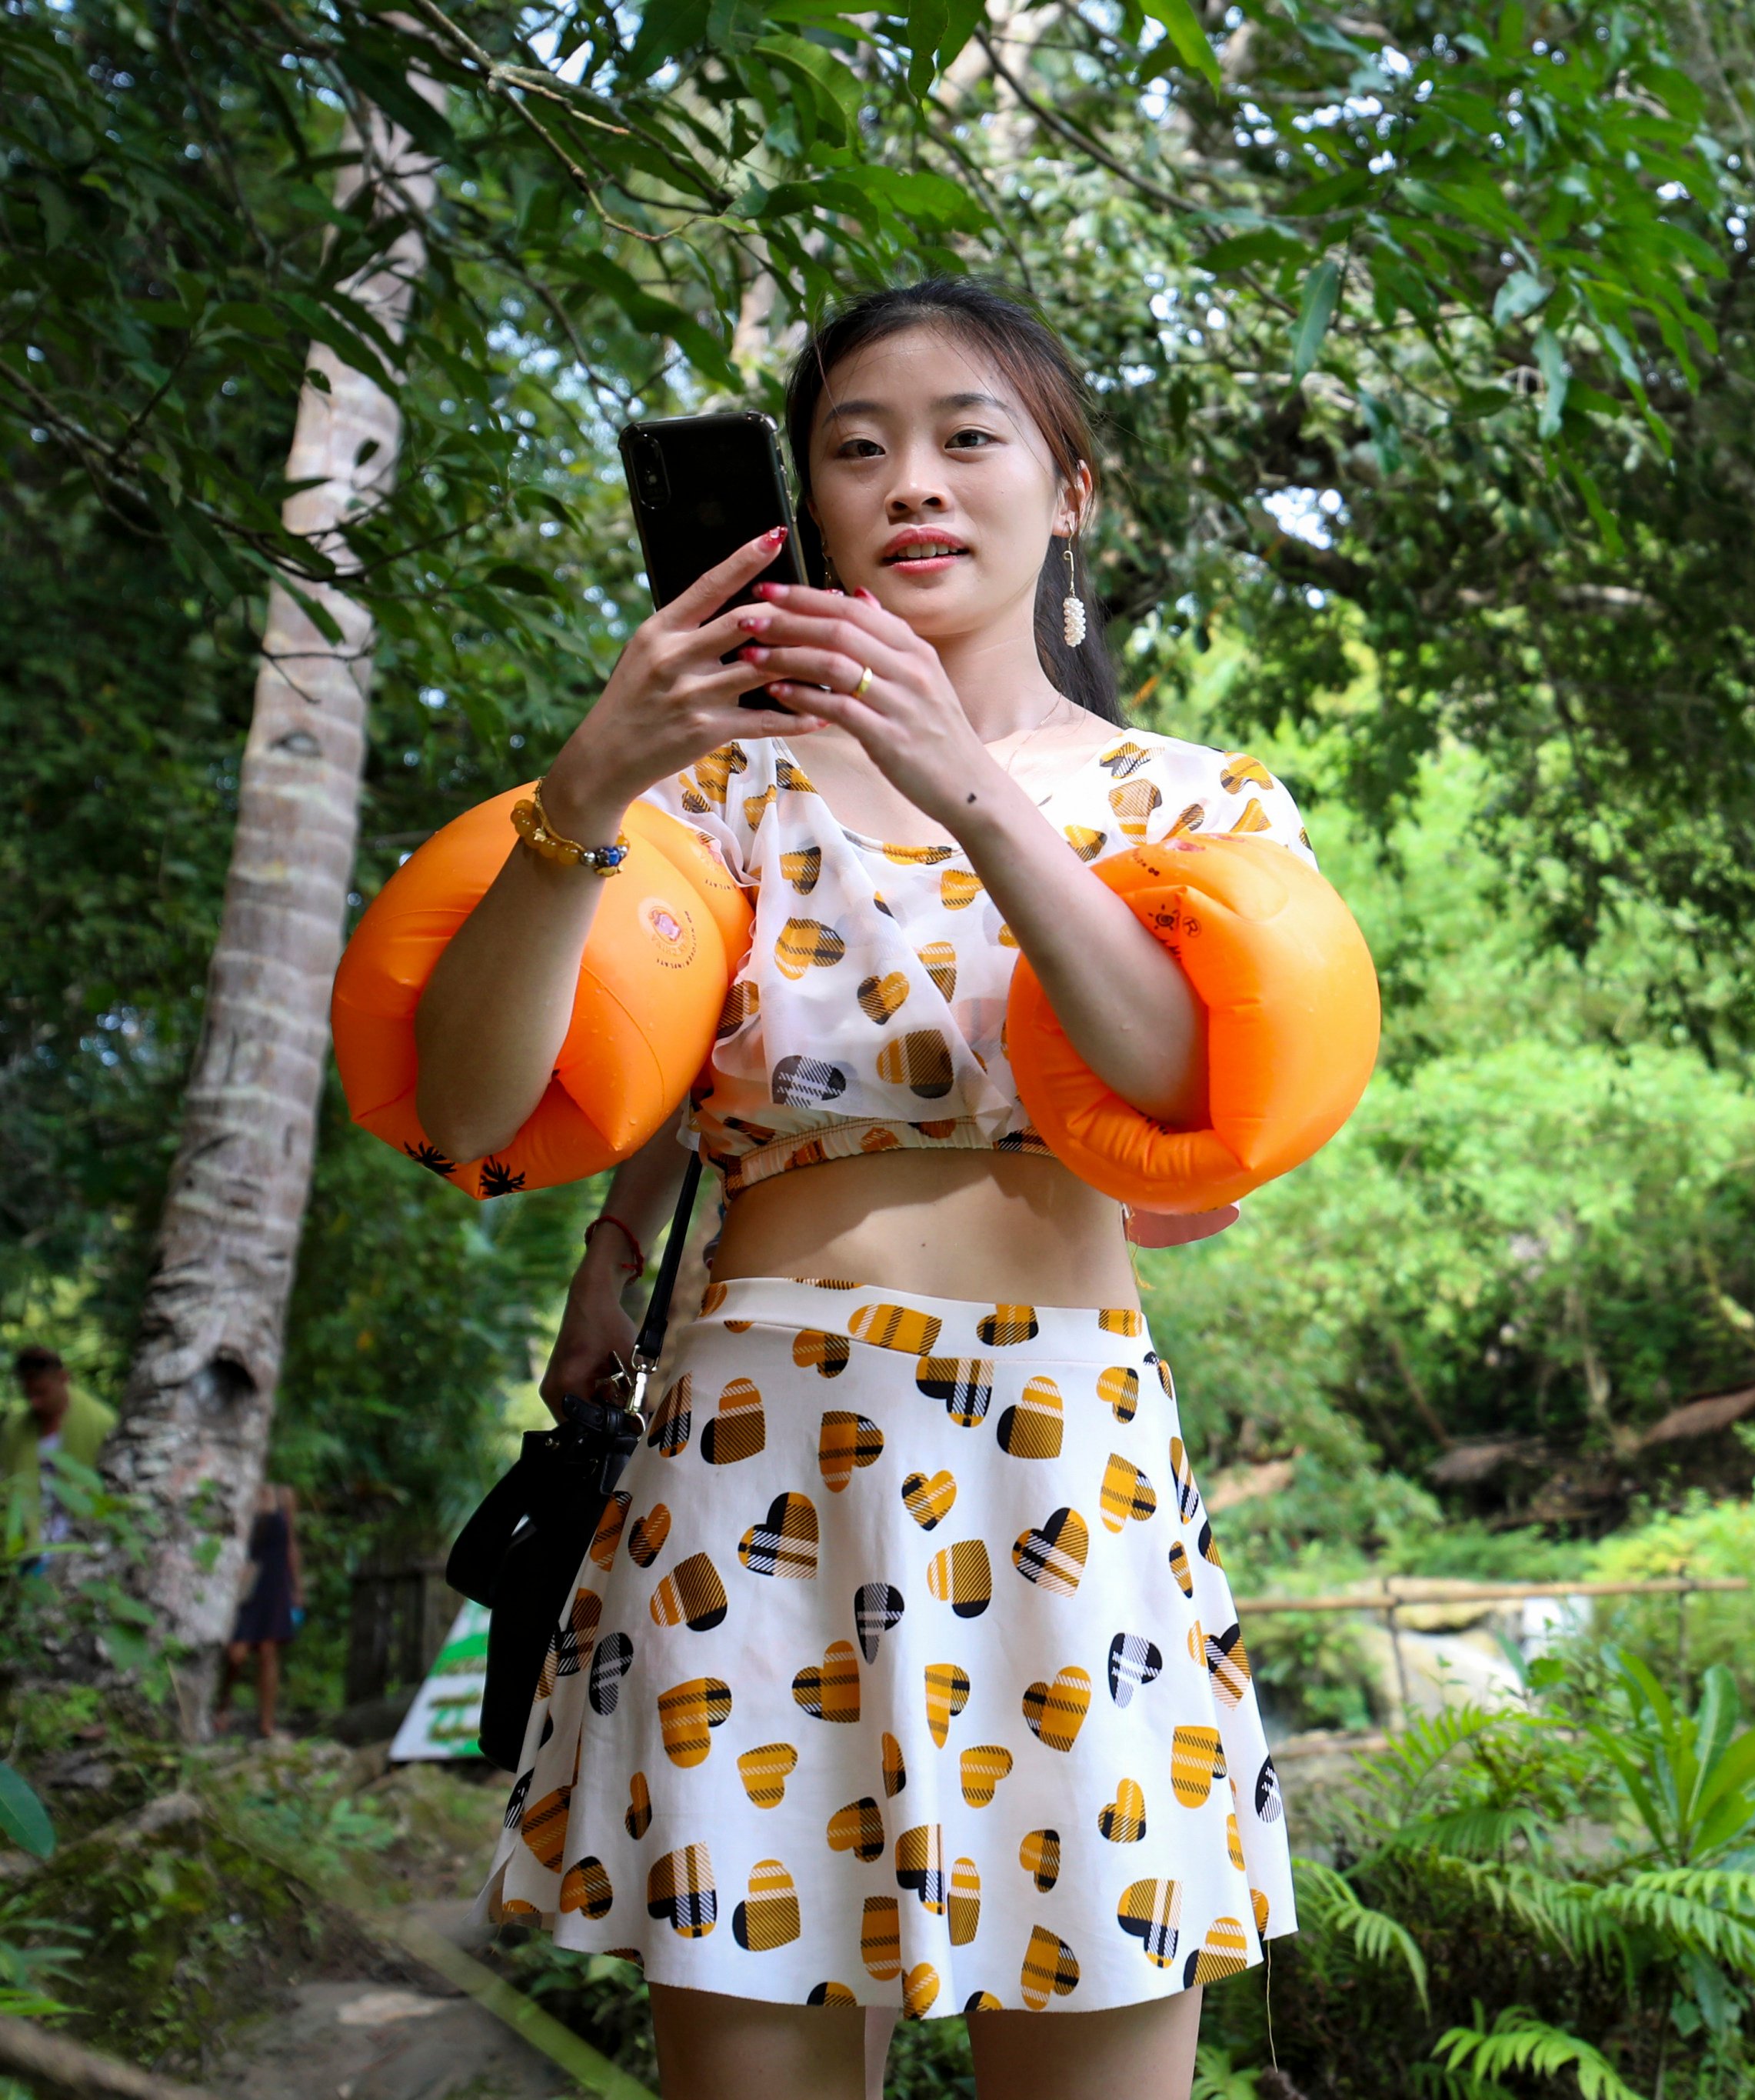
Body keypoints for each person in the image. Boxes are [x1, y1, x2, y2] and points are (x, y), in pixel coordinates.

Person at [412, 280, 1293, 2100]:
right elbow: (468, 1097)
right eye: (857, 445)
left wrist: (969, 792)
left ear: (1073, 494)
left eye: (970, 437)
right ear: (806, 500)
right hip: (756, 1476)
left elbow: (1172, 1077)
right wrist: (587, 786)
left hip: (1063, 1458)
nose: (914, 481)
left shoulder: (1181, 804)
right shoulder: (717, 790)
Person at [1, 1345, 115, 1555]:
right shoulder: (14, 1430)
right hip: (29, 1545)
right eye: (29, 1394)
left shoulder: (100, 1422)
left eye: (41, 1393)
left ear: (63, 1378)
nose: (34, 1402)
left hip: (81, 1542)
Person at [218, 1482, 305, 1736]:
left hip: (275, 1583)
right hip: (247, 1583)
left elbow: (291, 1544)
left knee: (269, 1650)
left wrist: (296, 1587)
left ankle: (267, 1723)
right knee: (237, 1653)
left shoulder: (284, 1495)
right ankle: (223, 1703)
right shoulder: (241, 1492)